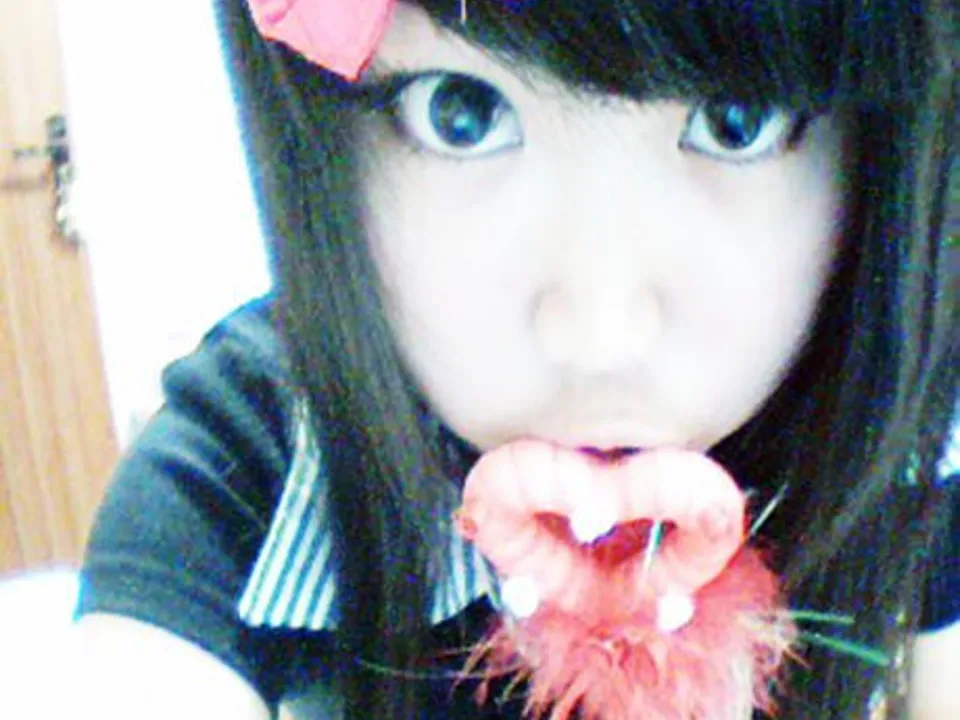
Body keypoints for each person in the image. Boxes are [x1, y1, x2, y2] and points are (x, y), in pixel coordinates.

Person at [68, 0, 958, 718]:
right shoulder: (255, 464)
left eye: (737, 120)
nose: (602, 333)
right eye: (462, 113)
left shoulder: (916, 432)